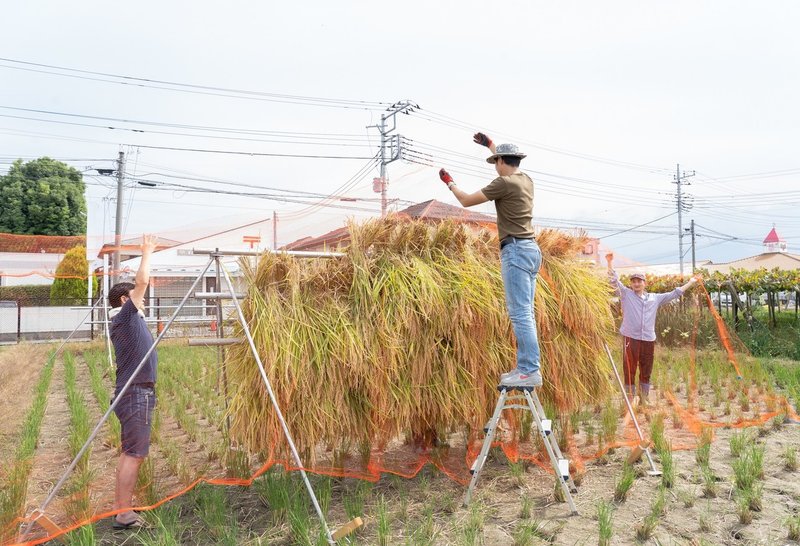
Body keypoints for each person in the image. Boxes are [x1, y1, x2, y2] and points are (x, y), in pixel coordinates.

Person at [439, 132, 542, 388]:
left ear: (500, 162)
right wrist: (490, 144)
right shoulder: (526, 179)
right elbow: (506, 159)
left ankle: (528, 370)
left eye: (496, 161)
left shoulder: (504, 184)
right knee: (526, 313)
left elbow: (465, 200)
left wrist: (449, 182)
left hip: (516, 250)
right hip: (531, 250)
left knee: (520, 315)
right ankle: (528, 367)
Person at [107, 234, 159, 529]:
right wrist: (146, 252)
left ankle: (120, 507)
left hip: (136, 391)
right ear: (125, 300)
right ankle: (124, 514)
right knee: (134, 454)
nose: (142, 300)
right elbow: (142, 282)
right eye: (136, 297)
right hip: (135, 392)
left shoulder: (129, 320)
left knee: (132, 452)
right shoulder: (125, 316)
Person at [605, 252, 699, 403]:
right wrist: (610, 262)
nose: (636, 284)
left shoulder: (654, 298)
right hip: (630, 337)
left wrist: (691, 282)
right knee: (629, 367)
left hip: (648, 338)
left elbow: (674, 294)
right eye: (634, 281)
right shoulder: (626, 294)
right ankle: (629, 398)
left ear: (644, 283)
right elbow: (613, 281)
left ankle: (644, 398)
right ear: (631, 284)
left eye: (639, 281)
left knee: (646, 367)